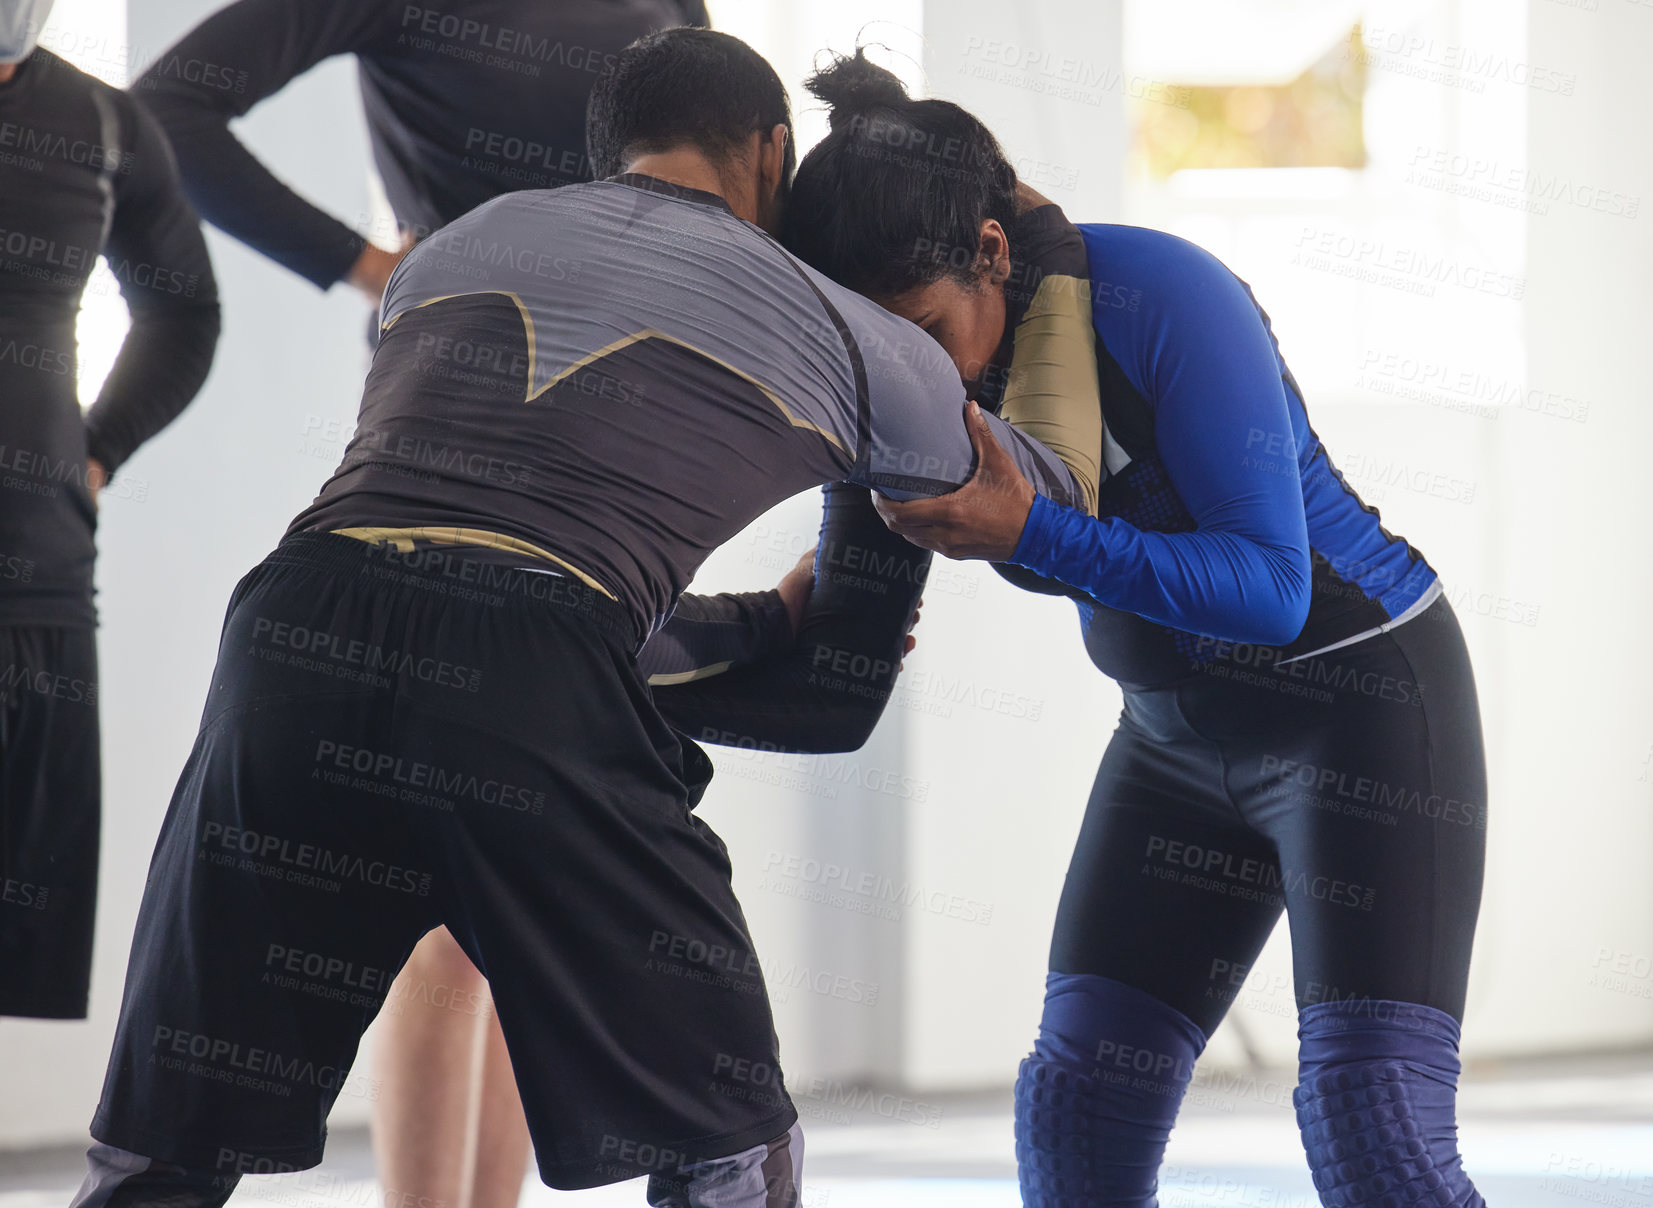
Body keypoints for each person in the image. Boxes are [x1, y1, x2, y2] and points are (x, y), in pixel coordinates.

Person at [71, 28, 1084, 1208]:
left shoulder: (446, 253)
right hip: (535, 662)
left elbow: (474, 559)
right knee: (727, 1146)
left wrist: (757, 619)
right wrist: (1048, 243)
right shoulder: (851, 330)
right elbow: (1048, 501)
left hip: (290, 633)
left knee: (165, 1148)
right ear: (769, 152)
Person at [783, 52, 1489, 1208]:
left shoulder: (1160, 296)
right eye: (872, 343)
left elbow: (1272, 589)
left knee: (1375, 1129)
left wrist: (1030, 533)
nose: (901, 369)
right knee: (1077, 1118)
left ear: (992, 255)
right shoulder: (894, 370)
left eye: (918, 329)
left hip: (1358, 715)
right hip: (1172, 741)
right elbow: (835, 674)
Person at [134, 3, 707, 1200]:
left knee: (532, 869)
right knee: (438, 891)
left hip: (632, 443)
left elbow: (706, 148)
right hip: (457, 433)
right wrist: (371, 265)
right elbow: (171, 110)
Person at [0, 0, 219, 1021]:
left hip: (39, 588)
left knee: (15, 954)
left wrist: (97, 450)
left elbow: (183, 308)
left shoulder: (102, 124)